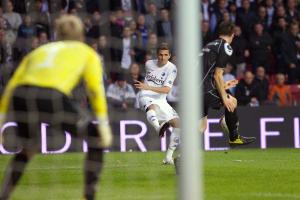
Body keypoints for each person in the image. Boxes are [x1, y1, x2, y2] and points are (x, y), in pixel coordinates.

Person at [0, 15, 113, 200]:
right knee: (96, 138)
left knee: (29, 148)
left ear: (58, 34)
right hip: (51, 96)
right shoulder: (86, 52)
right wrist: (104, 123)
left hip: (21, 95)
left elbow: (11, 85)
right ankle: (88, 197)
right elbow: (95, 90)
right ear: (81, 36)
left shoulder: (38, 51)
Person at [200, 21, 256, 146]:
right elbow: (217, 74)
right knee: (232, 101)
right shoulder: (225, 47)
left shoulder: (209, 45)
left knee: (201, 127)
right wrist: (224, 96)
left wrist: (224, 86)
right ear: (233, 34)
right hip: (203, 90)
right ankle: (234, 137)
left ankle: (182, 157)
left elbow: (205, 73)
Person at [135, 43, 179, 164]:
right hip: (146, 95)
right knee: (152, 107)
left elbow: (166, 90)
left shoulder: (172, 68)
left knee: (178, 124)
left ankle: (168, 157)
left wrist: (148, 86)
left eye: (166, 55)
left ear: (169, 56)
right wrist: (146, 88)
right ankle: (158, 127)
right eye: (160, 55)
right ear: (157, 55)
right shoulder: (149, 63)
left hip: (161, 99)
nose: (163, 57)